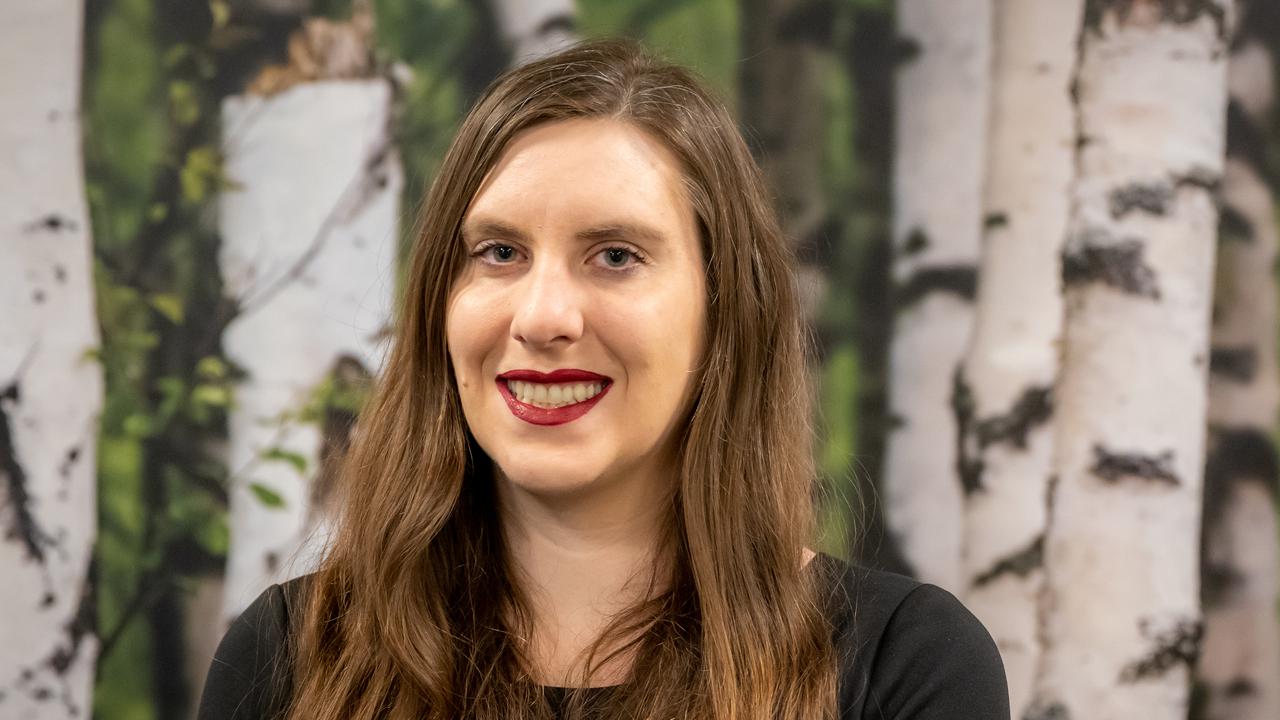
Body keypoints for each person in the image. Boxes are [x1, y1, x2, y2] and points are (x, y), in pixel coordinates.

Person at [197, 38, 1009, 720]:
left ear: (723, 310)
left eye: (616, 256)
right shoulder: (293, 657)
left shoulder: (904, 666)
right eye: (499, 253)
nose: (542, 316)